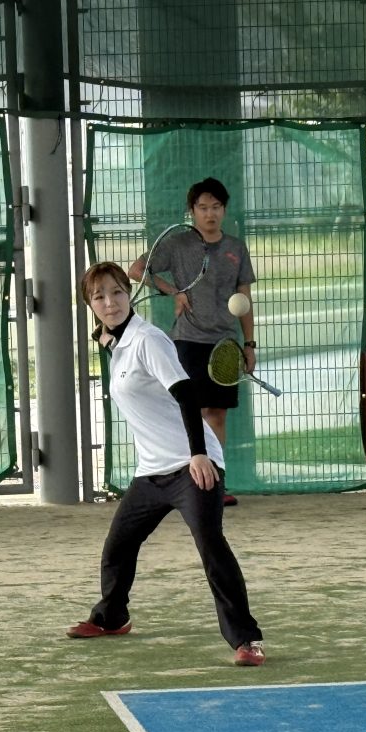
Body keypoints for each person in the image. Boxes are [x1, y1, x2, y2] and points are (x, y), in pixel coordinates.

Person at [67, 261, 265, 667]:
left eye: (117, 292)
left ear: (129, 295)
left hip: (191, 464)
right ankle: (112, 618)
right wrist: (106, 338)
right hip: (151, 472)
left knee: (211, 546)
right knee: (119, 546)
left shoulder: (148, 340)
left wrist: (199, 454)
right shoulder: (119, 342)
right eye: (99, 297)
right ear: (90, 305)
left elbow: (186, 394)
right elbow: (120, 353)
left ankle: (247, 640)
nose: (110, 302)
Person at [128, 177, 256, 506]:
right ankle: (191, 486)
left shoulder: (236, 248)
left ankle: (215, 484)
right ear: (192, 211)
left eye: (216, 207)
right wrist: (174, 291)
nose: (210, 213)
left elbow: (244, 298)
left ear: (224, 210)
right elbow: (136, 269)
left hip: (225, 344)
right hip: (188, 340)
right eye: (203, 207)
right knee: (192, 414)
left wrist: (249, 344)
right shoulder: (178, 244)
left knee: (217, 415)